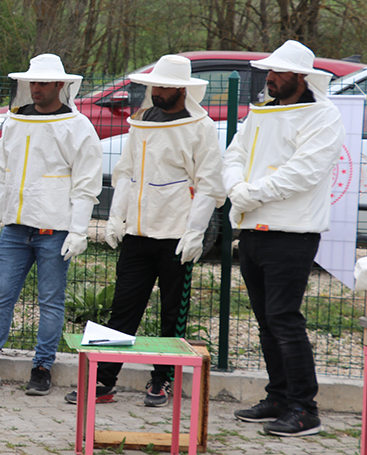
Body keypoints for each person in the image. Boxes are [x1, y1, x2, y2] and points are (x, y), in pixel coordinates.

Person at [62, 55, 224, 407]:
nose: (157, 92)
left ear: (182, 89)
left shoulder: (201, 127)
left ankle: (162, 380)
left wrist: (195, 231)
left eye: (164, 86)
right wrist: (116, 218)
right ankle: (103, 380)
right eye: (155, 86)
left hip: (176, 237)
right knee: (122, 308)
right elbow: (125, 173)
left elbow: (209, 183)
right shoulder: (142, 122)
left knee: (173, 313)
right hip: (136, 234)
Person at [0, 54, 102, 396]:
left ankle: (42, 368)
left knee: (51, 302)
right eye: (33, 82)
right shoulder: (15, 121)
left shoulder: (77, 127)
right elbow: (0, 172)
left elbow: (86, 182)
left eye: (43, 82)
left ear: (60, 84)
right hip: (15, 229)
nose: (36, 88)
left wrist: (78, 230)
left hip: (54, 231)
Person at [223, 40, 343, 437]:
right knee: (266, 321)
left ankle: (305, 409)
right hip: (253, 230)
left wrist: (249, 194)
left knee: (284, 320)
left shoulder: (323, 116)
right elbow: (233, 155)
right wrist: (236, 188)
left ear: (301, 77)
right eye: (269, 71)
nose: (270, 77)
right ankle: (278, 397)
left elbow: (302, 172)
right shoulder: (262, 112)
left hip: (292, 234)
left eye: (278, 72)